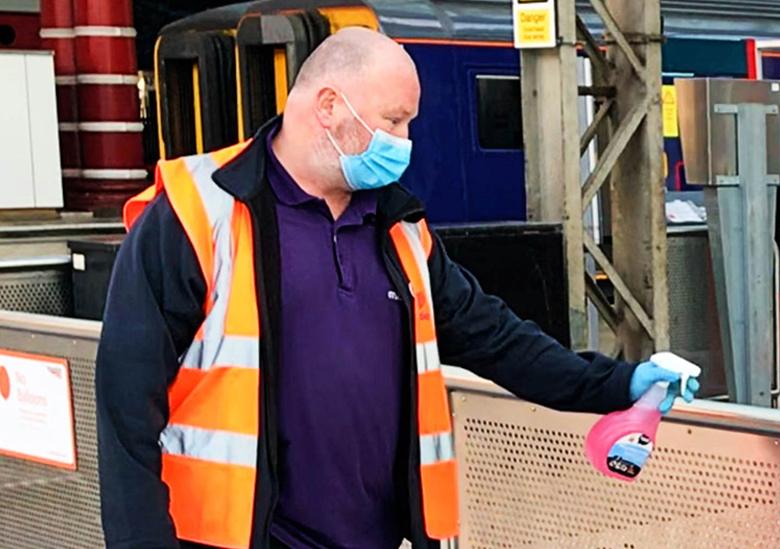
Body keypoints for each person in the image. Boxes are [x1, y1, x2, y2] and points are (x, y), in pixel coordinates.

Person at [95, 27, 698, 549]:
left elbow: (496, 339)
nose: (405, 140)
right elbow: (126, 402)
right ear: (328, 105)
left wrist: (617, 382)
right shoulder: (198, 213)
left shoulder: (399, 228)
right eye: (393, 120)